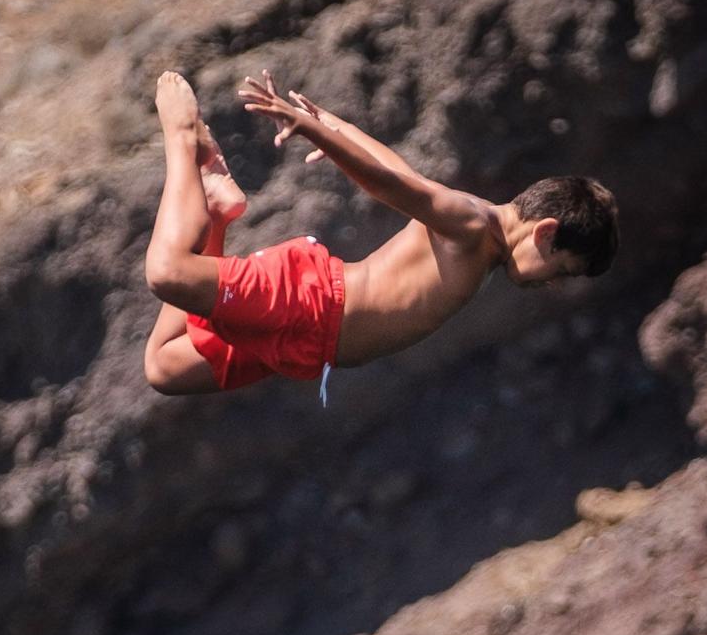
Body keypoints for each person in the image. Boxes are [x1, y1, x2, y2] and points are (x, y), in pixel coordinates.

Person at [140, 69, 618, 400]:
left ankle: (217, 215)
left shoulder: (480, 234)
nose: (551, 283)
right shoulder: (475, 228)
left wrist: (338, 127)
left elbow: (402, 173)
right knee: (167, 273)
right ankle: (182, 138)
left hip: (311, 344)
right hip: (309, 303)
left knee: (165, 367)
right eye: (562, 270)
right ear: (547, 232)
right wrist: (315, 131)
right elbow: (388, 186)